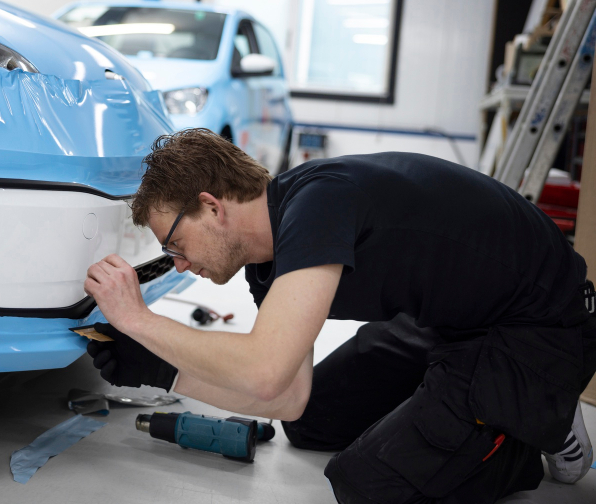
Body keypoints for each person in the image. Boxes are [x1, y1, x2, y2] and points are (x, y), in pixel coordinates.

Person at [83, 128, 596, 503]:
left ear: (212, 206)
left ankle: (537, 417)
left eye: (175, 242)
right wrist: (157, 367)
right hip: (451, 318)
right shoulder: (270, 254)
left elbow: (263, 368)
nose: (178, 263)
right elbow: (286, 396)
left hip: (537, 324)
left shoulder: (318, 204)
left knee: (371, 484)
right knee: (313, 423)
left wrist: (140, 321)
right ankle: (474, 402)